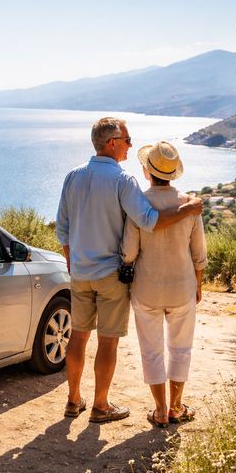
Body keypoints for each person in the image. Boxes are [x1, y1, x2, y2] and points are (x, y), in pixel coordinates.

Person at [56, 118, 203, 423]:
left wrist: (73, 263)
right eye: (127, 139)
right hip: (110, 274)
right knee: (108, 341)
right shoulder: (124, 181)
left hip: (80, 272)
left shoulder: (72, 176)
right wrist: (189, 209)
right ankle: (100, 405)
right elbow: (149, 220)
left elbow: (63, 229)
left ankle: (73, 401)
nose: (130, 145)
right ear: (112, 142)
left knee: (79, 336)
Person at [120, 140, 207, 428]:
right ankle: (177, 407)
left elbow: (129, 252)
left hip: (147, 288)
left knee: (152, 349)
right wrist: (198, 284)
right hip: (182, 285)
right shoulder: (189, 204)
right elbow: (199, 253)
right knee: (181, 348)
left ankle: (159, 410)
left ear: (147, 171)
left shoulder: (139, 204)